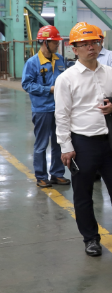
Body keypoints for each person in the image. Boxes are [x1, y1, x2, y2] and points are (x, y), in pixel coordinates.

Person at [54, 23, 112, 257]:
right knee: (83, 194)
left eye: (94, 43)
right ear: (74, 49)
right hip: (82, 144)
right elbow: (62, 115)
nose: (91, 48)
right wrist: (66, 147)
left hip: (111, 142)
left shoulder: (109, 73)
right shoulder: (67, 79)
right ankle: (91, 239)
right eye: (84, 44)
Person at [22, 25, 69, 188]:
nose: (57, 45)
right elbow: (27, 84)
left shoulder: (60, 59)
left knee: (59, 142)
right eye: (55, 42)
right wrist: (49, 89)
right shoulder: (33, 63)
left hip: (59, 108)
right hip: (42, 109)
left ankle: (57, 173)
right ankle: (41, 176)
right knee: (41, 144)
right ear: (45, 42)